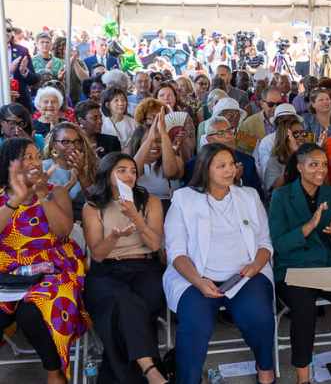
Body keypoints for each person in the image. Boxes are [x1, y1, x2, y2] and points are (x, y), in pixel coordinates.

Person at [163, 143, 276, 384]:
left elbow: (265, 242)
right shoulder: (184, 199)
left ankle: (265, 368)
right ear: (205, 169)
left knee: (260, 316)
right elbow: (176, 252)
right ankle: (188, 379)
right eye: (221, 166)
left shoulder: (249, 196)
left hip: (245, 275)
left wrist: (256, 266)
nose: (230, 171)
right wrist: (199, 281)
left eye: (232, 165)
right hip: (197, 278)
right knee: (195, 326)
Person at [269, 144, 331, 384]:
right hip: (293, 270)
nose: (321, 170)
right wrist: (309, 227)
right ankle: (303, 378)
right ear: (300, 167)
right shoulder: (281, 196)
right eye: (314, 164)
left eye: (324, 164)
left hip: (324, 267)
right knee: (304, 311)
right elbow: (279, 244)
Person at [0, 137, 86, 384]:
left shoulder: (55, 192)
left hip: (53, 267)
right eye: (27, 157)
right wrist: (16, 198)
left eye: (36, 156)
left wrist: (40, 194)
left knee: (32, 311)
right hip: (8, 269)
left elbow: (62, 232)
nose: (35, 162)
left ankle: (54, 371)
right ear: (9, 163)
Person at [81, 153, 167, 384]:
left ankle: (133, 373)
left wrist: (136, 218)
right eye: (122, 170)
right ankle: (150, 369)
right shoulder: (93, 206)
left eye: (133, 171)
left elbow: (155, 244)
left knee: (124, 310)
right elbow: (98, 254)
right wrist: (113, 237)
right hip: (107, 269)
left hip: (144, 266)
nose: (129, 175)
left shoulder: (150, 201)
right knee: (123, 300)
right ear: (108, 174)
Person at [183, 115, 263, 197]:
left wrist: (239, 181)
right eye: (221, 133)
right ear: (209, 139)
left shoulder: (247, 161)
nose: (228, 136)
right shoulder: (194, 164)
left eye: (229, 131)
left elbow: (259, 196)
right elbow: (189, 196)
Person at [42, 122, 98, 219]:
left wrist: (81, 175)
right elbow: (44, 204)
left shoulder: (91, 166)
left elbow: (96, 201)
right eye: (65, 142)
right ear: (54, 144)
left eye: (77, 141)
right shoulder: (44, 167)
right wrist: (70, 184)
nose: (73, 146)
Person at [133, 109, 184, 212]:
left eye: (159, 141)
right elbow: (133, 172)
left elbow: (171, 173)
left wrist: (164, 134)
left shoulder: (176, 160)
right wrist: (150, 138)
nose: (155, 145)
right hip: (141, 209)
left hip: (170, 209)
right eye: (149, 141)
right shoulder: (131, 161)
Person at [263, 117, 306, 196]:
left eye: (303, 133)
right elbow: (274, 190)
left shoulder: (308, 156)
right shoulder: (274, 161)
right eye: (296, 134)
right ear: (285, 137)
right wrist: (295, 155)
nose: (301, 137)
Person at [237, 87, 285, 154]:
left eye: (278, 104)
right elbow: (241, 148)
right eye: (271, 104)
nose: (275, 108)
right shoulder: (248, 124)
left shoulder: (287, 120)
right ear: (262, 103)